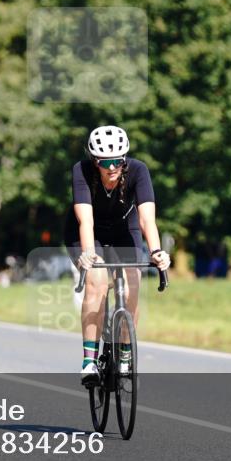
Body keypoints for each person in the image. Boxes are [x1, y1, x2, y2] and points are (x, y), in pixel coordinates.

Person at [63, 126, 170, 385]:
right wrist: (89, 255)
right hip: (90, 233)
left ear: (125, 159)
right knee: (97, 282)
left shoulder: (138, 170)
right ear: (95, 161)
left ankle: (124, 354)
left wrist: (156, 252)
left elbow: (146, 219)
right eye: (106, 162)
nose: (112, 168)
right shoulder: (82, 171)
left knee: (133, 282)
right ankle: (89, 359)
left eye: (118, 161)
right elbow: (85, 221)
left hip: (125, 229)